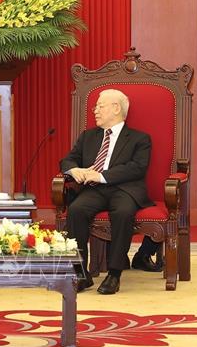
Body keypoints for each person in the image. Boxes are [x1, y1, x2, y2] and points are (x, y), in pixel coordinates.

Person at [60, 89, 161, 295]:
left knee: (123, 212)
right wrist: (74, 170)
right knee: (76, 209)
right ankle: (81, 273)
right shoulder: (88, 136)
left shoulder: (139, 138)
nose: (95, 111)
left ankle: (114, 274)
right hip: (95, 190)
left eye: (100, 106)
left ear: (116, 108)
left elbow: (137, 167)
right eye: (95, 107)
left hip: (125, 189)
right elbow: (68, 160)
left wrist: (102, 175)